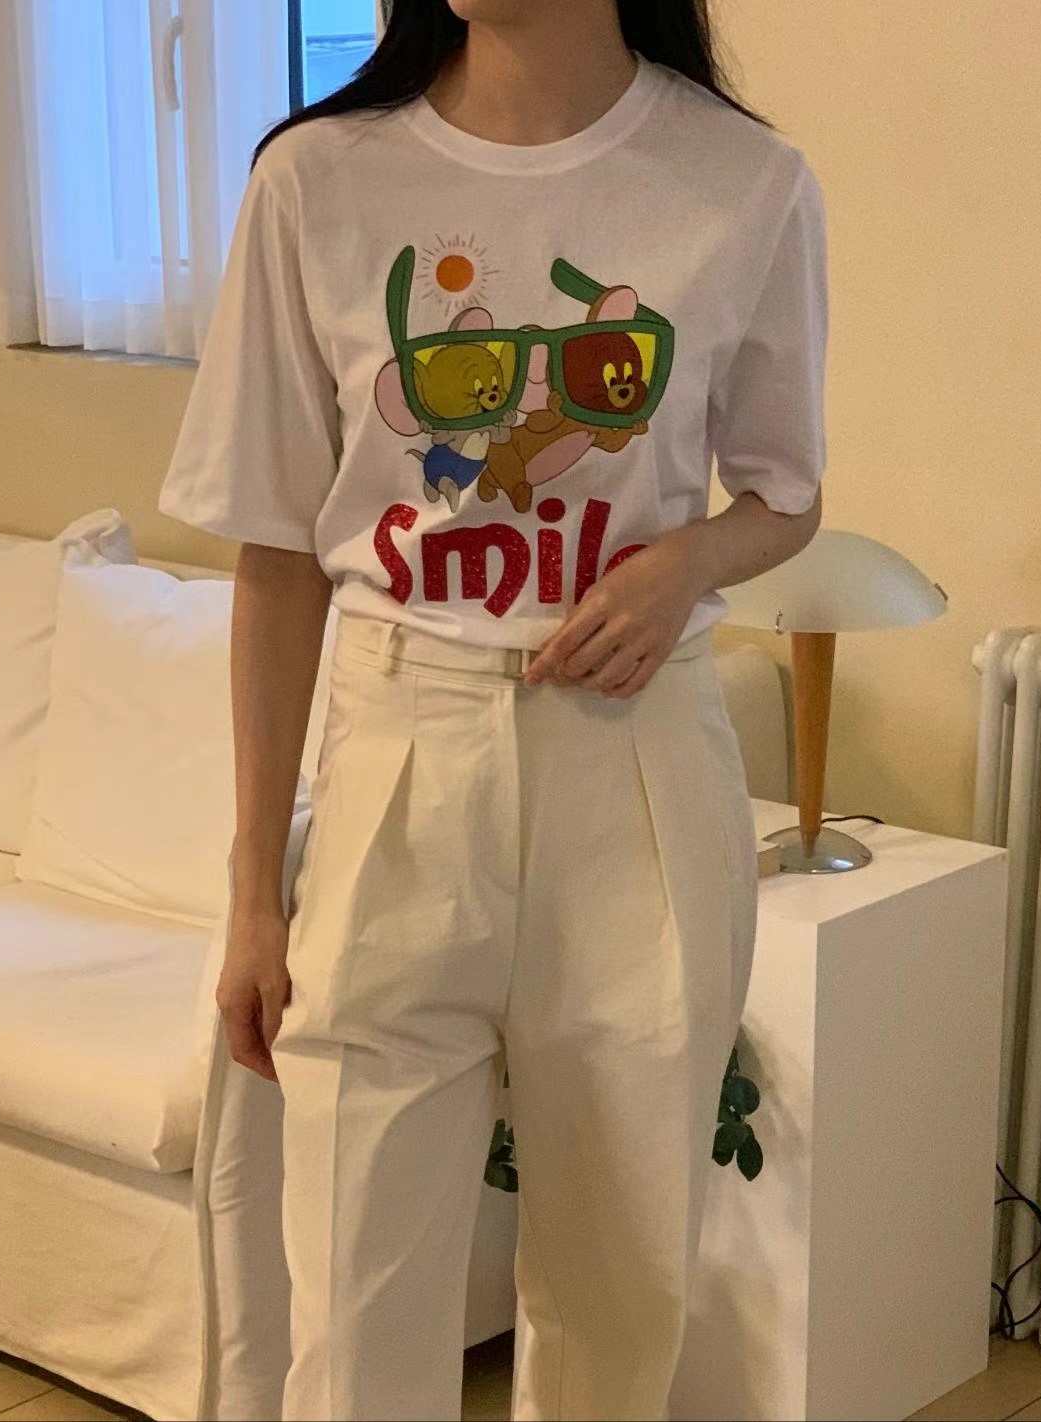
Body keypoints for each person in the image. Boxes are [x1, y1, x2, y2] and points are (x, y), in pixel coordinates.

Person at [156, 1, 828, 1417]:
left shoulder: (742, 180)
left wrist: (688, 562)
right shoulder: (318, 180)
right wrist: (252, 896)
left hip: (637, 766)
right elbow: (277, 558)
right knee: (353, 1303)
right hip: (399, 751)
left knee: (620, 1291)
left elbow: (785, 492)